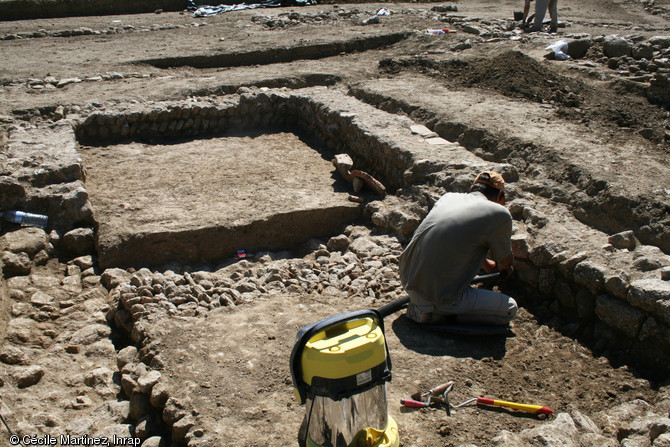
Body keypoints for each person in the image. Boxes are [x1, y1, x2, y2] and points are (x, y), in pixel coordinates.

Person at [398, 171, 518, 326]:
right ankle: (436, 315)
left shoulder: (449, 198)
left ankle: (425, 305)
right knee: (509, 308)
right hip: (438, 297)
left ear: (474, 188)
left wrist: (488, 266)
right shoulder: (500, 213)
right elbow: (504, 264)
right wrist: (506, 268)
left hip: (408, 280)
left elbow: (460, 241)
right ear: (500, 196)